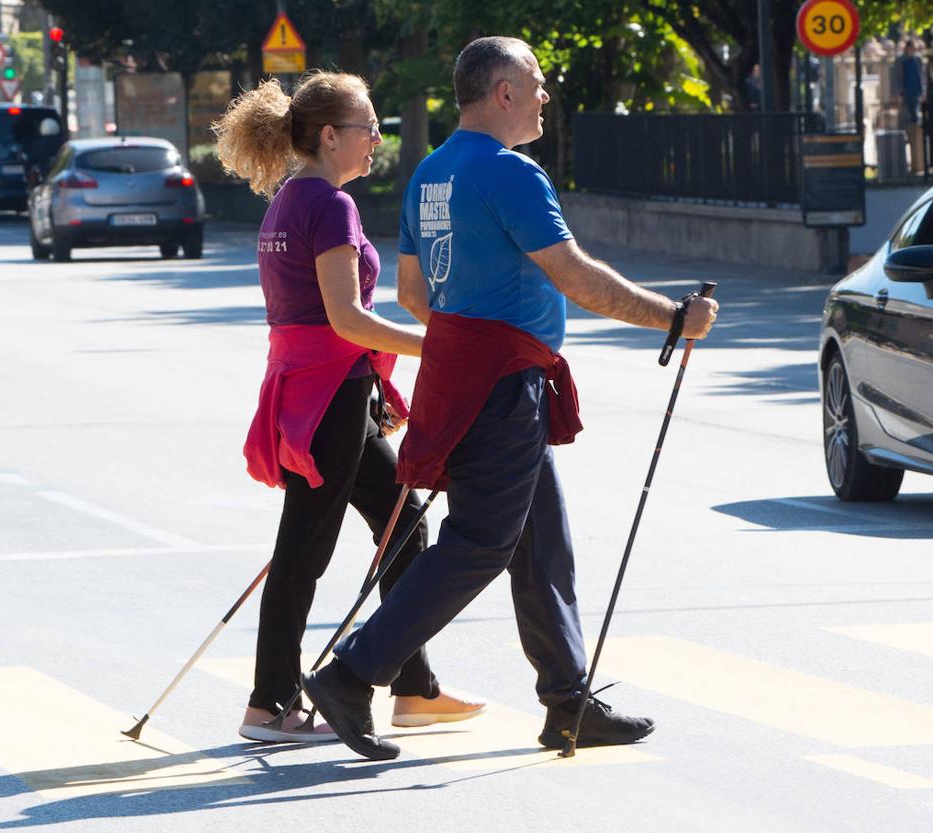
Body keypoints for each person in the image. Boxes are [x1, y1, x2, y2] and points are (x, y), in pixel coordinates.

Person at [302, 36, 718, 761]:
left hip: (465, 377)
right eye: (536, 83)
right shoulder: (512, 173)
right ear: (502, 92)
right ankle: (351, 673)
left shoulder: (428, 173)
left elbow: (409, 293)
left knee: (542, 544)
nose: (545, 96)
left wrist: (466, 337)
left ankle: (567, 703)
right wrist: (674, 318)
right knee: (482, 543)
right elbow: (578, 279)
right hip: (500, 386)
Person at [214, 71, 484, 743]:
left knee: (405, 524)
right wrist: (438, 348)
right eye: (369, 129)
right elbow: (347, 319)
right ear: (331, 136)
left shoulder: (290, 199)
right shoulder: (329, 206)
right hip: (327, 394)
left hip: (323, 390)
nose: (377, 142)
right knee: (304, 547)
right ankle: (271, 702)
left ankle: (412, 686)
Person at [895, 40, 925, 172]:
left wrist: (922, 92)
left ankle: (916, 132)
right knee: (908, 117)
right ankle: (910, 135)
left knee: (916, 117)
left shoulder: (917, 60)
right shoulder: (902, 60)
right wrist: (899, 92)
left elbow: (921, 76)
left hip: (916, 92)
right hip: (906, 92)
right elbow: (898, 76)